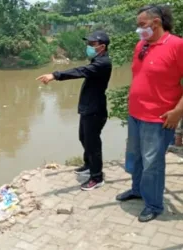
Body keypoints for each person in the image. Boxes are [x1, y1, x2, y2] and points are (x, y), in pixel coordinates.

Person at [116, 5, 183, 222]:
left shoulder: (177, 45)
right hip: (136, 113)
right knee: (135, 158)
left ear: (156, 23)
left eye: (142, 25)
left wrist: (177, 112)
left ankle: (154, 204)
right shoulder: (141, 45)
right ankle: (137, 190)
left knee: (152, 163)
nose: (139, 30)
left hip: (159, 118)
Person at [36, 30, 112, 191]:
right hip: (88, 107)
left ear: (102, 47)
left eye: (92, 44)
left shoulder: (103, 63)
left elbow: (79, 71)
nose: (88, 46)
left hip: (95, 109)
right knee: (83, 138)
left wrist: (55, 75)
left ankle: (97, 177)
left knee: (93, 143)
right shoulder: (96, 60)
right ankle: (88, 165)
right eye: (88, 43)